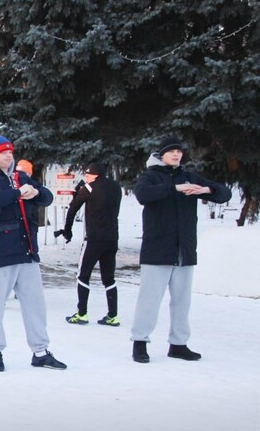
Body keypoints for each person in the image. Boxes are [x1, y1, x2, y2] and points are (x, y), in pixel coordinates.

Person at [130, 137, 231, 363]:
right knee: (150, 299)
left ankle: (178, 344)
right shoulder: (150, 176)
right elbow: (143, 195)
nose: (176, 155)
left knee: (182, 301)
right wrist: (174, 188)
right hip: (157, 250)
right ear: (161, 154)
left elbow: (224, 193)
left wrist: (204, 189)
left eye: (179, 152)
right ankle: (140, 343)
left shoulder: (188, 176)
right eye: (171, 152)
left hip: (184, 251)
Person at [0, 131, 67, 372]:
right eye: (3, 153)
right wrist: (16, 194)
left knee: (35, 303)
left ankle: (40, 351)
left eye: (10, 152)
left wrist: (35, 192)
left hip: (26, 250)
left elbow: (46, 197)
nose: (8, 156)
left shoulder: (20, 176)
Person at [56, 163, 123, 326]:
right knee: (109, 277)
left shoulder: (89, 188)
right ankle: (113, 315)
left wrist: (67, 230)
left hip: (93, 239)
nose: (85, 177)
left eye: (87, 174)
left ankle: (82, 313)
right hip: (112, 238)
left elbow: (72, 209)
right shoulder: (116, 187)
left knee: (83, 275)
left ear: (94, 174)